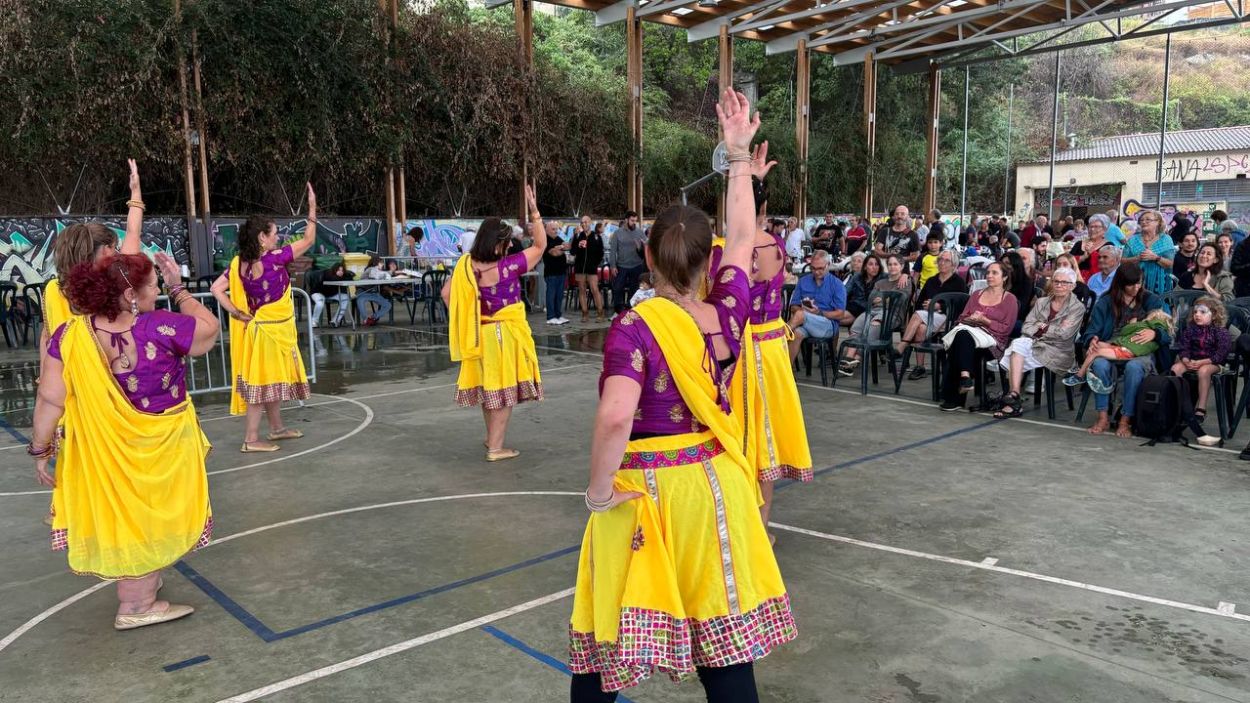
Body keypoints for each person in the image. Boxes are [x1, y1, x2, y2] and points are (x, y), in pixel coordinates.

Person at [569, 89, 795, 702]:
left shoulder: (633, 327)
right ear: (707, 261)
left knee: (606, 633)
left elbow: (617, 417)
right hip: (710, 487)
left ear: (647, 256)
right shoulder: (726, 312)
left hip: (641, 492)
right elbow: (744, 236)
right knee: (723, 645)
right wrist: (739, 156)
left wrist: (596, 493)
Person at [33, 252, 218, 630]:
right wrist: (179, 288)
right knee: (148, 517)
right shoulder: (160, 327)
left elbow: (50, 397)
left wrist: (41, 449)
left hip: (104, 449)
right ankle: (137, 605)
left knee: (124, 515)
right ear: (132, 294)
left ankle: (140, 583)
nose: (157, 293)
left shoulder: (69, 335)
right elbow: (209, 330)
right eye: (153, 287)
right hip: (162, 446)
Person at [442, 187, 547, 462]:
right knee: (503, 394)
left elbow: (446, 295)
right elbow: (541, 246)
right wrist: (534, 211)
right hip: (503, 335)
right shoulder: (507, 267)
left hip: (480, 335)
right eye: (507, 242)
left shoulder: (466, 265)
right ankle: (496, 448)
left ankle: (491, 438)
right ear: (496, 242)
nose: (511, 246)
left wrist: (469, 316)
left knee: (490, 389)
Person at [211, 184, 317, 453]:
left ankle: (276, 428)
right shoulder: (274, 259)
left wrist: (236, 312)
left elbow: (215, 289)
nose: (278, 238)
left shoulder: (239, 264)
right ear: (262, 237)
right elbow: (308, 241)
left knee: (269, 381)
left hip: (265, 330)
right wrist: (313, 210)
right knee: (260, 385)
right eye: (274, 234)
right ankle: (250, 438)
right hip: (271, 333)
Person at [1072, 262, 1171, 437]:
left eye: (1139, 283)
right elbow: (1091, 330)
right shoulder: (1106, 301)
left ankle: (1126, 419)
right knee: (1100, 365)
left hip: (1140, 349)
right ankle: (1102, 416)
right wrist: (1092, 338)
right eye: (1131, 284)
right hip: (1112, 344)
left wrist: (1155, 333)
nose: (1136, 287)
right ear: (1120, 283)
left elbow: (1168, 332)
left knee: (1134, 367)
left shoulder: (1151, 300)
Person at [993, 266, 1086, 418]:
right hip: (1034, 343)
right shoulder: (1042, 302)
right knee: (1018, 344)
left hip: (1059, 350)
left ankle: (1013, 402)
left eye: (1064, 282)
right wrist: (1047, 329)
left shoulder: (1077, 308)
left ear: (1072, 286)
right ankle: (1015, 394)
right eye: (1056, 281)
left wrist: (1042, 328)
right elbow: (1027, 326)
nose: (1059, 285)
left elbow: (1064, 335)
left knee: (1017, 349)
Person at [938, 261, 1018, 411]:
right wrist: (971, 319)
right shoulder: (976, 295)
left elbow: (1006, 329)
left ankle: (955, 396)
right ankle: (965, 378)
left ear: (1005, 277)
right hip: (971, 333)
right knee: (962, 336)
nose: (989, 276)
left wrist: (985, 321)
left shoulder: (1009, 299)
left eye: (994, 273)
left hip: (993, 341)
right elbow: (961, 318)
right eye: (988, 273)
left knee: (960, 339)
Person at [1170, 297, 1231, 446]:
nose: (1197, 314)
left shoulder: (1220, 332)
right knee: (1176, 368)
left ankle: (1201, 408)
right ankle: (1177, 404)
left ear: (1214, 314)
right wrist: (1185, 360)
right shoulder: (1191, 330)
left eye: (1203, 312)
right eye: (1196, 311)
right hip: (1192, 360)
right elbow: (1184, 348)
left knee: (1203, 371)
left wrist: (1202, 362)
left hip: (1213, 363)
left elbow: (1221, 354)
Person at [899, 250, 968, 380]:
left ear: (954, 264)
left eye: (946, 260)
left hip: (947, 319)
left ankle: (903, 344)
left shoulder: (959, 282)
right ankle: (920, 367)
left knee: (918, 315)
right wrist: (926, 306)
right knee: (921, 327)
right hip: (928, 316)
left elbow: (962, 306)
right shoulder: (931, 280)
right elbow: (919, 303)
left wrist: (939, 306)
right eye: (940, 259)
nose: (942, 262)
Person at [839, 253, 913, 374]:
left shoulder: (905, 281)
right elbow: (871, 299)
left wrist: (883, 298)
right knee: (857, 326)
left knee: (874, 324)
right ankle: (849, 357)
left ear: (902, 266)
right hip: (873, 311)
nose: (892, 267)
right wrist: (885, 299)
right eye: (890, 264)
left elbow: (900, 300)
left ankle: (855, 360)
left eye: (895, 264)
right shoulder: (881, 282)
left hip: (892, 315)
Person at [786, 250, 847, 361]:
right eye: (813, 268)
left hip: (827, 325)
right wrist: (804, 309)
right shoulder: (803, 281)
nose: (816, 272)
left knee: (800, 315)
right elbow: (793, 306)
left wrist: (818, 312)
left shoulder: (837, 284)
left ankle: (779, 337)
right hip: (806, 322)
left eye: (820, 268)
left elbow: (840, 314)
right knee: (797, 334)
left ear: (828, 265)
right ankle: (785, 374)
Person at [1122, 209, 1175, 295]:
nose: (1144, 222)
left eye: (1148, 219)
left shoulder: (1165, 239)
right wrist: (1137, 258)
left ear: (1158, 222)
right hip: (1135, 282)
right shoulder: (1133, 239)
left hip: (1159, 285)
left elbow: (1170, 264)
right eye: (1142, 220)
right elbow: (1123, 261)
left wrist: (1155, 258)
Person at [610, 210, 647, 313]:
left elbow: (646, 248)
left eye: (635, 220)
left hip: (637, 265)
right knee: (617, 288)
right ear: (626, 220)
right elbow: (613, 250)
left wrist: (640, 247)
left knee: (634, 289)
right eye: (632, 220)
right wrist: (613, 266)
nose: (634, 222)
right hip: (622, 266)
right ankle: (618, 310)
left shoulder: (640, 232)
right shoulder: (617, 233)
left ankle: (630, 309)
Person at [573, 218, 607, 322]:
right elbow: (572, 251)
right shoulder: (578, 236)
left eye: (586, 222)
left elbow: (601, 253)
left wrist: (595, 263)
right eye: (582, 222)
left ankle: (600, 313)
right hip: (580, 268)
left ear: (590, 223)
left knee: (594, 289)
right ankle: (584, 313)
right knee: (582, 290)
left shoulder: (596, 237)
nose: (584, 224)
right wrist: (577, 242)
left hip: (592, 269)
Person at [873, 205, 920, 273]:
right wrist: (889, 255)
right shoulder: (885, 231)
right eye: (897, 214)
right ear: (894, 216)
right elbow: (877, 250)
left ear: (907, 217)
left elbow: (916, 256)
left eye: (902, 214)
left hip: (903, 274)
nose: (899, 216)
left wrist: (900, 259)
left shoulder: (913, 234)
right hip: (886, 272)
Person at [542, 221, 571, 325]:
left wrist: (561, 247)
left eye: (556, 229)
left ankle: (558, 315)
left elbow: (568, 246)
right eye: (553, 229)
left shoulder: (558, 239)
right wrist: (560, 248)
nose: (556, 231)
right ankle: (550, 317)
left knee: (559, 295)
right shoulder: (545, 240)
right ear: (547, 230)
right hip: (551, 273)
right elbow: (554, 253)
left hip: (561, 272)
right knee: (551, 295)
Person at [310, 261, 354, 328]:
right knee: (320, 303)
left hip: (331, 294)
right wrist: (344, 277)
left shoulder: (342, 276)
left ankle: (335, 321)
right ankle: (314, 321)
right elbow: (333, 279)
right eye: (338, 270)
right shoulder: (327, 274)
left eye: (342, 270)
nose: (341, 272)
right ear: (334, 270)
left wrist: (348, 274)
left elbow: (350, 279)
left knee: (345, 298)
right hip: (318, 293)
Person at [357, 254, 395, 326]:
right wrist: (389, 272)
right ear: (376, 263)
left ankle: (373, 318)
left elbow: (383, 274)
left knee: (388, 305)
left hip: (373, 292)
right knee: (360, 300)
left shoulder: (379, 271)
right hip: (363, 292)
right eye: (381, 263)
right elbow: (375, 275)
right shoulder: (370, 269)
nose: (382, 264)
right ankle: (365, 320)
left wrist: (392, 272)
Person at [1072, 214, 1111, 281]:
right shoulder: (1079, 244)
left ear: (1104, 229)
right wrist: (1082, 257)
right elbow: (1068, 262)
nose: (1092, 229)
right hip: (1075, 280)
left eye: (1096, 227)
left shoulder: (1108, 246)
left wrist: (1092, 252)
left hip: (1097, 282)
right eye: (1090, 226)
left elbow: (1107, 267)